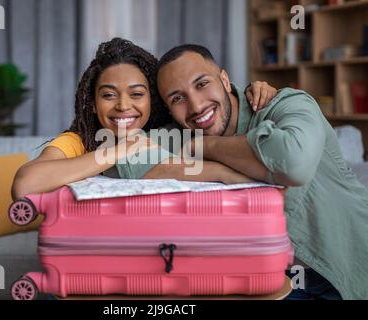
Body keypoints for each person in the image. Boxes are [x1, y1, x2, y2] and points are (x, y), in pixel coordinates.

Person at [151, 44, 368, 300]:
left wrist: (204, 146)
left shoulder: (285, 103)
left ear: (224, 79)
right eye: (177, 98)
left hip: (342, 271)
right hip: (268, 280)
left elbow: (293, 164)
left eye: (201, 84)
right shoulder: (179, 136)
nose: (196, 106)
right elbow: (127, 158)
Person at [11, 38, 276, 200]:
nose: (123, 106)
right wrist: (119, 151)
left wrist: (255, 90)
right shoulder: (77, 142)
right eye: (108, 95)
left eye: (137, 94)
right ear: (92, 104)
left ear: (153, 99)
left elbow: (214, 109)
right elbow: (25, 185)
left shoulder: (169, 132)